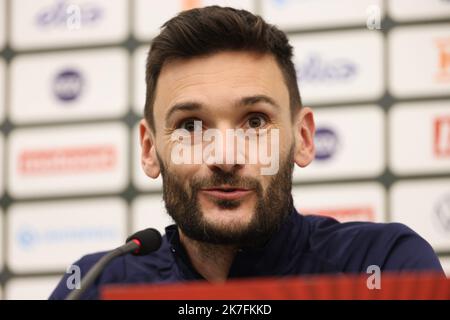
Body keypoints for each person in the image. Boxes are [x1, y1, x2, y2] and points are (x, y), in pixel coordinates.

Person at [49, 6, 443, 300]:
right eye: (190, 125)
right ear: (151, 149)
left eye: (255, 122)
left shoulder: (384, 265)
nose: (225, 156)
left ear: (304, 138)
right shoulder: (95, 283)